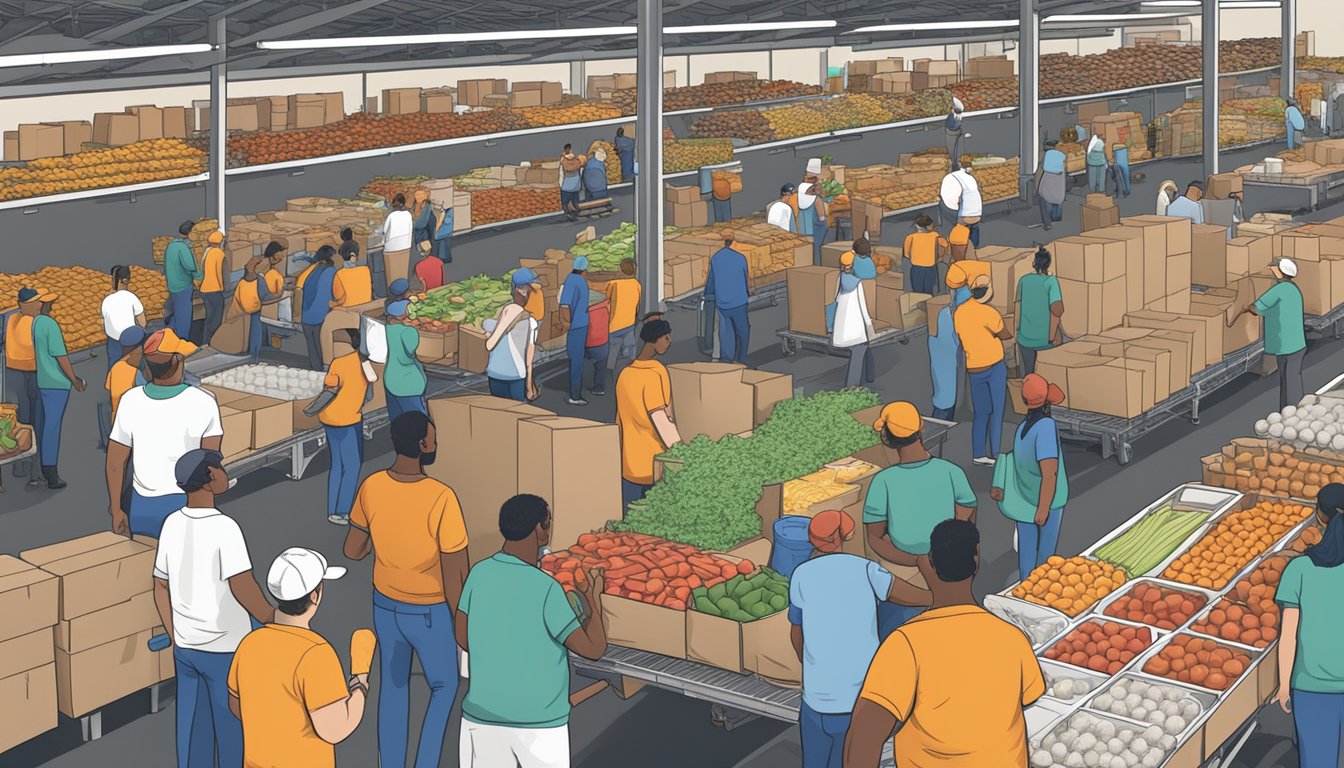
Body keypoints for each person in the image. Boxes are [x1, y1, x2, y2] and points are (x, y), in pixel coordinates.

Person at [844, 519, 1044, 768]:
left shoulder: (906, 644)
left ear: (929, 564)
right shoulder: (1012, 638)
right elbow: (1030, 694)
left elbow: (865, 734)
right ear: (976, 560)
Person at [344, 412, 469, 768]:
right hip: (429, 610)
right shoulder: (441, 498)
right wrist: (464, 623)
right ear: (422, 445)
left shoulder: (371, 486)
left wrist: (376, 543)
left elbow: (352, 549)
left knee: (394, 688)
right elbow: (455, 573)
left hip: (385, 603)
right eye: (433, 438)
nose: (436, 443)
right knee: (444, 686)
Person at [455, 494, 608, 768]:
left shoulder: (479, 574)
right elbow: (593, 649)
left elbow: (463, 637)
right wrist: (591, 600)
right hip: (538, 728)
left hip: (481, 722)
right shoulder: (546, 589)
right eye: (547, 523)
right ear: (539, 529)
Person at [153, 449, 273, 768]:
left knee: (193, 733)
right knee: (232, 730)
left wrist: (175, 633)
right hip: (226, 650)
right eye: (218, 468)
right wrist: (274, 620)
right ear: (209, 478)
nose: (223, 471)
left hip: (187, 647)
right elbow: (243, 586)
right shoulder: (225, 528)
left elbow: (160, 585)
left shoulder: (172, 524)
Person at [789, 510, 931, 768]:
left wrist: (815, 667)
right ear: (843, 537)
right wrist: (938, 598)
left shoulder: (801, 575)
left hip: (814, 701)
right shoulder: (865, 569)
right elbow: (909, 595)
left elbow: (796, 634)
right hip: (857, 702)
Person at [228, 548, 367, 768]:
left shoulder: (250, 643)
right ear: (314, 596)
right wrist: (360, 684)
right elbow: (336, 729)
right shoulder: (316, 652)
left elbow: (237, 706)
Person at [862, 402, 976, 639]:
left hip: (905, 580)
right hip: (948, 576)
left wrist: (915, 560)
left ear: (886, 438)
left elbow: (874, 538)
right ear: (921, 429)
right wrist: (945, 556)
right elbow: (967, 517)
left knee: (904, 643)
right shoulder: (951, 472)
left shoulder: (883, 482)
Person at [108, 328, 221, 538]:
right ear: (179, 361)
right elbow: (209, 464)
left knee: (146, 566)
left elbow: (115, 463)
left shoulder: (130, 401)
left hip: (143, 506)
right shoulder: (204, 402)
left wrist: (116, 510)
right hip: (188, 504)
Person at [1273, 483, 1344, 768]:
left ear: (1319, 517)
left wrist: (1283, 686)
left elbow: (1288, 636)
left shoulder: (1299, 570)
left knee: (1318, 763)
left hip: (1313, 688)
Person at [992, 374, 1069, 579]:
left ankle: (1024, 587)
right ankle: (1039, 597)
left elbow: (1015, 459)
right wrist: (1043, 508)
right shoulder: (1046, 427)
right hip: (1046, 502)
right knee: (1046, 559)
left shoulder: (1022, 429)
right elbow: (1050, 472)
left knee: (1027, 556)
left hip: (1023, 501)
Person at [307, 328, 372, 526]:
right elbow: (370, 395)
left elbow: (328, 390)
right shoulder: (363, 363)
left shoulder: (336, 364)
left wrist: (311, 409)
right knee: (352, 465)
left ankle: (332, 509)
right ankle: (343, 511)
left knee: (336, 465)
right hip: (350, 421)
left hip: (330, 419)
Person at [615, 315, 680, 511]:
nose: (669, 341)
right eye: (666, 337)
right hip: (654, 465)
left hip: (629, 466)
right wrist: (682, 453)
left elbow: (619, 422)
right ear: (654, 339)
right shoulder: (654, 373)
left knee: (631, 528)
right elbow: (661, 420)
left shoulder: (625, 375)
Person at [955, 274, 1013, 466]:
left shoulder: (959, 312)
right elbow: (1004, 334)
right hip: (995, 366)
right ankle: (995, 452)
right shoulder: (990, 313)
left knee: (981, 413)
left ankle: (978, 453)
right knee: (996, 412)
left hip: (974, 369)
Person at [31, 292, 85, 489]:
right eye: (50, 303)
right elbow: (60, 357)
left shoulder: (34, 323)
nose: (52, 306)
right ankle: (51, 473)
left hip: (40, 381)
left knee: (42, 426)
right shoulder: (50, 325)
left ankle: (39, 468)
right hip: (56, 383)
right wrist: (75, 379)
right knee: (52, 428)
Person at [1243, 257, 1306, 409]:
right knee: (1291, 379)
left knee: (1288, 380)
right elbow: (1274, 310)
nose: (1272, 270)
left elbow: (1257, 307)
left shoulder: (1280, 289)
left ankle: (1290, 413)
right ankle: (1289, 411)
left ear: (1280, 271)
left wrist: (1246, 308)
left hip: (1286, 346)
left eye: (1274, 268)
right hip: (1297, 344)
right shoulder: (1293, 289)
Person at [2, 288, 42, 482]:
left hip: (15, 373)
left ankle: (23, 465)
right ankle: (29, 466)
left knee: (20, 418)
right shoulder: (32, 321)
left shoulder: (9, 318)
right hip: (25, 374)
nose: (40, 305)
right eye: (36, 302)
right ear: (24, 304)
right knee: (29, 418)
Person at [484, 270, 540, 403]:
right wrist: (529, 386)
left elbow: (489, 344)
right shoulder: (532, 321)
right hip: (516, 376)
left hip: (495, 373)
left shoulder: (508, 310)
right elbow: (529, 360)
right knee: (516, 415)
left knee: (498, 413)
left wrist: (488, 334)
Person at [1015, 246, 1064, 375]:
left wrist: (1018, 334)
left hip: (1025, 339)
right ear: (1048, 264)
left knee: (1027, 373)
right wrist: (1051, 337)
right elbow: (1057, 312)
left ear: (1034, 263)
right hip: (1044, 341)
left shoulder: (1023, 280)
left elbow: (1017, 309)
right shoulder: (1051, 282)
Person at [705, 231, 751, 365]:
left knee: (726, 331)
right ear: (733, 242)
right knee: (743, 331)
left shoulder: (715, 258)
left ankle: (726, 359)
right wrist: (748, 291)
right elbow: (746, 278)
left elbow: (711, 280)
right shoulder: (741, 258)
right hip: (739, 301)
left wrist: (708, 295)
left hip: (722, 302)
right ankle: (740, 358)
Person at [234, 243, 285, 362]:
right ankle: (254, 358)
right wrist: (279, 294)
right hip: (254, 310)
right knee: (255, 335)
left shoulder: (246, 279)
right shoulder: (260, 280)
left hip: (244, 309)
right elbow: (265, 297)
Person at [833, 252, 876, 389]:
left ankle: (868, 377)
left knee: (861, 350)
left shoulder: (841, 278)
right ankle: (852, 386)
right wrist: (869, 324)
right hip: (855, 325)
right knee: (859, 351)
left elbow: (836, 298)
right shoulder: (858, 284)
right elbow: (863, 306)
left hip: (842, 324)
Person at [927, 284, 970, 421]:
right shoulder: (952, 318)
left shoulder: (945, 313)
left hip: (943, 361)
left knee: (945, 395)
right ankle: (938, 430)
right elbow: (959, 341)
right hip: (945, 363)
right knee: (945, 402)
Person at [101, 326, 146, 450]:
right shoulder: (137, 371)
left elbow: (110, 390)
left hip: (117, 426)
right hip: (135, 429)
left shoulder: (116, 367)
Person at [383, 300, 428, 420]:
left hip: (390, 378)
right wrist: (414, 329)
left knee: (397, 420)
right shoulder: (408, 331)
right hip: (408, 383)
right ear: (400, 316)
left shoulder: (386, 328)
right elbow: (412, 353)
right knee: (418, 421)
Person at [297, 245, 338, 370]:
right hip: (321, 317)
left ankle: (316, 372)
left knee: (313, 350)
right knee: (323, 350)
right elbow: (328, 295)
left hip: (307, 317)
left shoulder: (312, 271)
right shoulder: (331, 272)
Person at [559, 256, 592, 406]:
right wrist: (568, 323)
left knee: (577, 359)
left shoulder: (574, 280)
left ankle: (576, 392)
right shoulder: (574, 281)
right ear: (584, 269)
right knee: (576, 360)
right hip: (577, 326)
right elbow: (564, 306)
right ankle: (575, 395)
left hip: (580, 325)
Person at [101, 265, 146, 371]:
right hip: (131, 340)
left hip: (113, 341)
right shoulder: (131, 297)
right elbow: (142, 323)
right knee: (137, 367)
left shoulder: (106, 300)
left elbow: (103, 324)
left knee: (114, 368)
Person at [605, 258, 642, 377]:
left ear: (620, 270)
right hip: (629, 323)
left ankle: (610, 371)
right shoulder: (636, 284)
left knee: (613, 350)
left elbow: (607, 298)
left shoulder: (614, 284)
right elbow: (637, 304)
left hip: (614, 324)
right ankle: (628, 372)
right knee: (629, 349)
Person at [164, 220, 201, 340]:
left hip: (172, 285)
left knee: (176, 313)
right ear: (190, 233)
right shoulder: (183, 248)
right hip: (183, 286)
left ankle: (169, 335)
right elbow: (190, 266)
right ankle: (182, 341)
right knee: (184, 317)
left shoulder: (171, 246)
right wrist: (200, 276)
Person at [939, 165, 982, 247]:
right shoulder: (970, 178)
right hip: (977, 214)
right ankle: (975, 247)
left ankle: (954, 244)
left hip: (965, 217)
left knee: (943, 208)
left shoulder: (951, 179)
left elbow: (954, 200)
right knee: (974, 227)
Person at [903, 215, 946, 295]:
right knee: (929, 292)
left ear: (916, 226)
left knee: (917, 292)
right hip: (930, 268)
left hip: (916, 268)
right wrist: (940, 258)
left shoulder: (910, 237)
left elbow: (906, 254)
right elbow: (945, 246)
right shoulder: (935, 235)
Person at [199, 230, 227, 346]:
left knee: (209, 318)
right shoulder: (219, 254)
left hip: (205, 290)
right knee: (216, 320)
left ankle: (205, 342)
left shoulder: (207, 252)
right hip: (215, 290)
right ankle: (214, 343)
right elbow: (222, 273)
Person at [383, 193, 414, 294]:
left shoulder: (391, 216)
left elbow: (384, 231)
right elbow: (410, 229)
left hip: (391, 248)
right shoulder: (408, 215)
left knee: (392, 275)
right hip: (405, 247)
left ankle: (393, 295)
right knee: (402, 272)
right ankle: (403, 293)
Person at [798, 166, 829, 264]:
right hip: (816, 230)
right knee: (818, 249)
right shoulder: (816, 200)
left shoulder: (798, 199)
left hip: (803, 230)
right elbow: (821, 217)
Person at [331, 236, 373, 309]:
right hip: (367, 308)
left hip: (349, 310)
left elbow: (338, 296)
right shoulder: (366, 270)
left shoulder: (339, 274)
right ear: (353, 255)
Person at [1035, 139, 1067, 231]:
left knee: (1043, 201)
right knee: (1057, 199)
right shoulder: (1060, 157)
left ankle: (1047, 224)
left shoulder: (1043, 158)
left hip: (1047, 185)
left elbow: (1039, 173)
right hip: (1058, 186)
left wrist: (1036, 187)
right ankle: (1056, 216)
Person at [585, 297, 611, 397]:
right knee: (601, 368)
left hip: (589, 342)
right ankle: (598, 388)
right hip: (603, 341)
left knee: (586, 362)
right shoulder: (605, 309)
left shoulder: (587, 312)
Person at [560, 144, 583, 221]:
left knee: (565, 202)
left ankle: (567, 214)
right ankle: (577, 212)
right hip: (576, 185)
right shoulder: (576, 160)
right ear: (571, 150)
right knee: (575, 201)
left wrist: (560, 185)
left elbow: (561, 175)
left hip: (567, 186)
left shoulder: (563, 161)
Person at [944, 97, 969, 168]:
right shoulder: (951, 117)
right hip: (951, 135)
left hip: (958, 133)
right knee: (952, 150)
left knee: (958, 149)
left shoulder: (958, 116)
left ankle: (957, 163)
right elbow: (951, 127)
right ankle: (954, 164)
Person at [410, 189, 435, 254]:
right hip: (412, 239)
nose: (419, 196)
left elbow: (432, 230)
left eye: (422, 194)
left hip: (424, 241)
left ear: (426, 196)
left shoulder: (429, 212)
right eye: (417, 194)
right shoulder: (413, 207)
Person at [431, 202, 454, 271]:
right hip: (443, 234)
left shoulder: (448, 212)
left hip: (442, 234)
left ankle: (440, 261)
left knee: (442, 248)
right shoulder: (449, 211)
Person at [1085, 129, 1108, 193]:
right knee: (1101, 177)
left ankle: (1092, 191)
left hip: (1092, 163)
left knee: (1092, 178)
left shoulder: (1091, 144)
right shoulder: (1101, 142)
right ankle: (1101, 190)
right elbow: (1103, 151)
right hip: (1101, 162)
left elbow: (1088, 153)